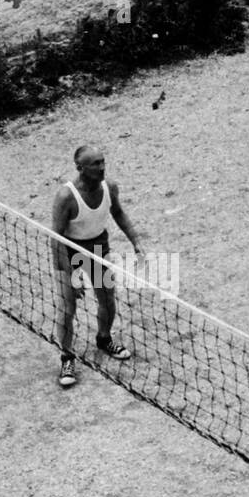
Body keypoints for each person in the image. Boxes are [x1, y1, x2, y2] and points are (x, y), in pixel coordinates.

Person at [50, 144, 144, 388]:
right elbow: (56, 239)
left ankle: (104, 339)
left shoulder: (109, 187)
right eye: (95, 164)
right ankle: (67, 356)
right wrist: (72, 276)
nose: (102, 167)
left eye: (103, 162)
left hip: (98, 248)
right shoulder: (66, 197)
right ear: (80, 168)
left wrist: (136, 242)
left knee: (107, 298)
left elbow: (119, 213)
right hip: (68, 250)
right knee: (67, 307)